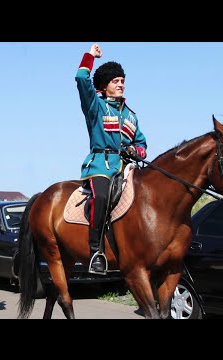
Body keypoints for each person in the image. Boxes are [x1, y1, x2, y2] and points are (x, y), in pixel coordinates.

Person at [75, 43, 147, 274]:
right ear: (104, 87)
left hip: (126, 168)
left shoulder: (131, 116)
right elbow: (81, 77)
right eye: (115, 81)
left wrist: (137, 152)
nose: (120, 85)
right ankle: (96, 251)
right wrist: (90, 56)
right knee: (103, 196)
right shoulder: (96, 107)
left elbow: (142, 144)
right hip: (100, 166)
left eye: (122, 81)